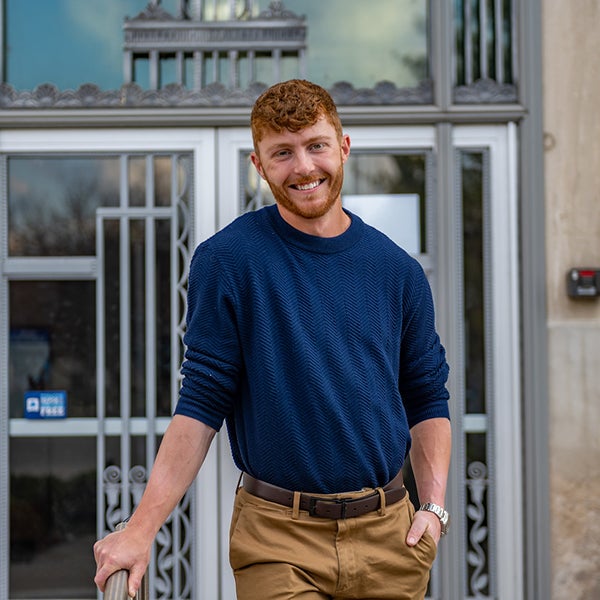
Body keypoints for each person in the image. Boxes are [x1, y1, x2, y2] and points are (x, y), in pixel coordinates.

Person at [94, 79, 451, 600]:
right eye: (282, 153)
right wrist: (142, 528)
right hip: (279, 536)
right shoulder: (229, 261)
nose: (303, 167)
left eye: (316, 145)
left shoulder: (397, 270)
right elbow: (202, 401)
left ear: (343, 147)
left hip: (389, 537)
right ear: (259, 166)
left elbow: (426, 396)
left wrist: (434, 509)